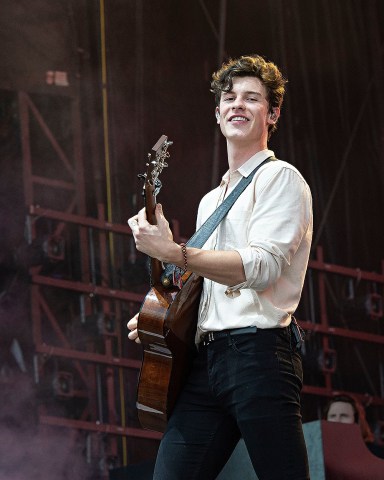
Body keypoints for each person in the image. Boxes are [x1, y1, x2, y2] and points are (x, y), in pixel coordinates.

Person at [127, 54, 313, 479]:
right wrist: (163, 319)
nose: (238, 105)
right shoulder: (210, 201)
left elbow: (261, 267)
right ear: (217, 114)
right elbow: (202, 285)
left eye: (252, 98)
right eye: (229, 98)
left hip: (261, 353)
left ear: (273, 114)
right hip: (207, 361)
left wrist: (175, 252)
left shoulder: (281, 178)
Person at [324, 393, 384, 458]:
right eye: (332, 416)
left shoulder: (376, 453)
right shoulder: (319, 454)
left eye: (344, 416)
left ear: (357, 421)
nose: (337, 420)